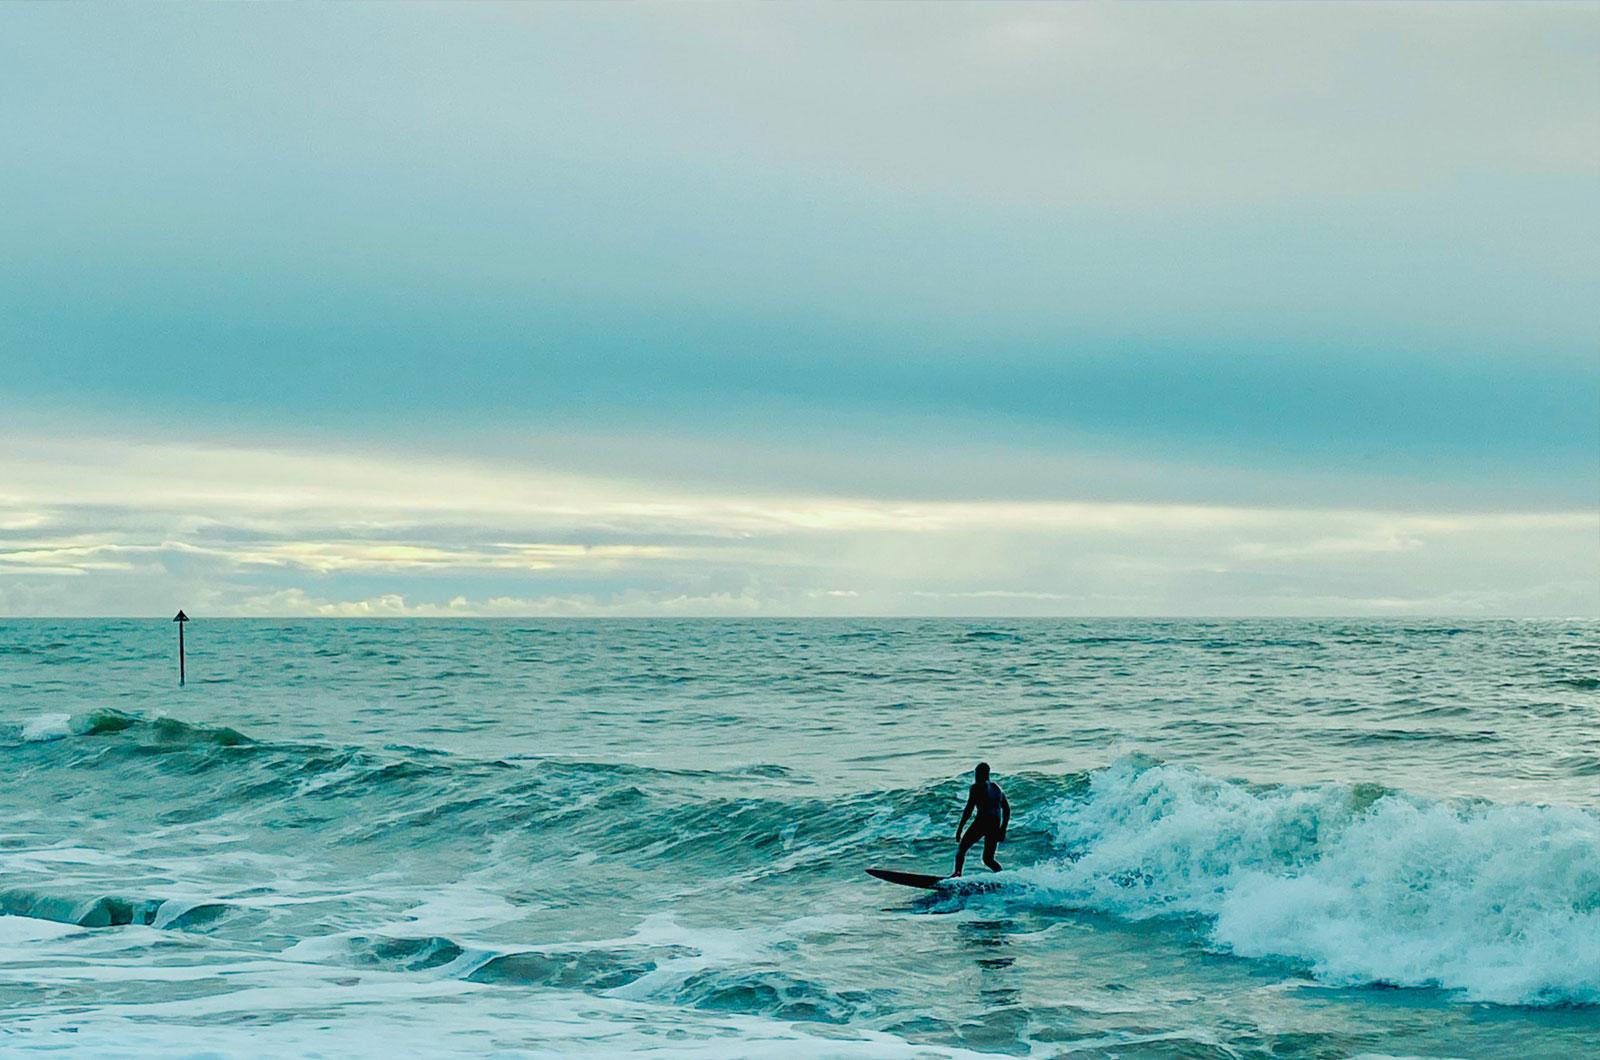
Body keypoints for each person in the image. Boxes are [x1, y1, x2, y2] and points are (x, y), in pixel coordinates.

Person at [952, 761, 1009, 876]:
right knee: (988, 859)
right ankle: (1003, 877)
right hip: (995, 824)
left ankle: (957, 874)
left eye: (976, 774)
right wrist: (1003, 829)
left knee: (961, 850)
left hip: (982, 822)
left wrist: (959, 829)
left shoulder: (976, 787)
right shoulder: (997, 789)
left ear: (980, 774)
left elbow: (969, 809)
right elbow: (1007, 809)